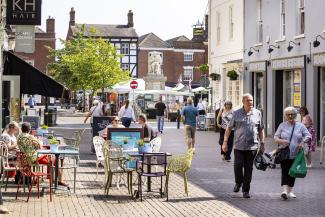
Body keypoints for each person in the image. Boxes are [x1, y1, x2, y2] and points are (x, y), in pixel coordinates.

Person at [222, 93, 265, 199]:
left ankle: (246, 190)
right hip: (239, 145)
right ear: (243, 102)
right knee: (238, 165)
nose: (250, 102)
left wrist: (262, 143)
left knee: (249, 168)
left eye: (252, 100)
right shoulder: (236, 113)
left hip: (252, 146)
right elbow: (228, 128)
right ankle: (238, 182)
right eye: (248, 101)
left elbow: (261, 129)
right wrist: (225, 142)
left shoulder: (257, 113)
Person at [274, 107, 311, 200]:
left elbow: (308, 135)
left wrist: (303, 142)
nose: (290, 116)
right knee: (285, 171)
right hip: (284, 153)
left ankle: (290, 191)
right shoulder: (282, 125)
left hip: (296, 154)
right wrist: (281, 140)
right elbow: (275, 137)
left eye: (292, 114)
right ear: (285, 116)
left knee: (293, 172)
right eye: (288, 114)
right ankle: (285, 191)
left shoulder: (300, 126)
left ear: (295, 115)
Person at [17, 122, 68, 187]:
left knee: (50, 157)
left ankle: (49, 177)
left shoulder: (19, 137)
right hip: (34, 158)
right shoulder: (30, 137)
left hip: (25, 159)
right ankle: (59, 181)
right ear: (29, 129)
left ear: (21, 129)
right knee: (57, 159)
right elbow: (40, 145)